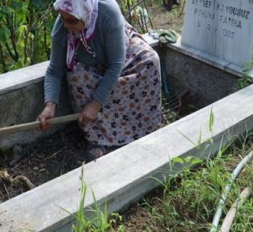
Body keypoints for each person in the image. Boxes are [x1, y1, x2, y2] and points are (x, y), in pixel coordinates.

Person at [37, 0, 162, 160]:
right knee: (76, 76)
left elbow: (116, 64)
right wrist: (50, 105)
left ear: (85, 13)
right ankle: (98, 138)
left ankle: (145, 128)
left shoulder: (108, 13)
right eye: (62, 18)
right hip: (90, 65)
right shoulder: (62, 28)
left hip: (121, 56)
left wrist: (95, 104)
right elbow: (54, 70)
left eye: (72, 21)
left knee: (150, 61)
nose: (66, 25)